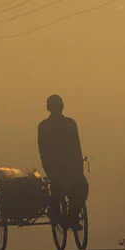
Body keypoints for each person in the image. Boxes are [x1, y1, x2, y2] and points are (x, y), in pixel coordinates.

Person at [38, 94, 88, 230]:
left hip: (62, 167)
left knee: (75, 188)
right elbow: (77, 147)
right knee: (76, 188)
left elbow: (42, 149)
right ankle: (69, 215)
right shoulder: (69, 124)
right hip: (63, 167)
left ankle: (67, 215)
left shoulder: (44, 126)